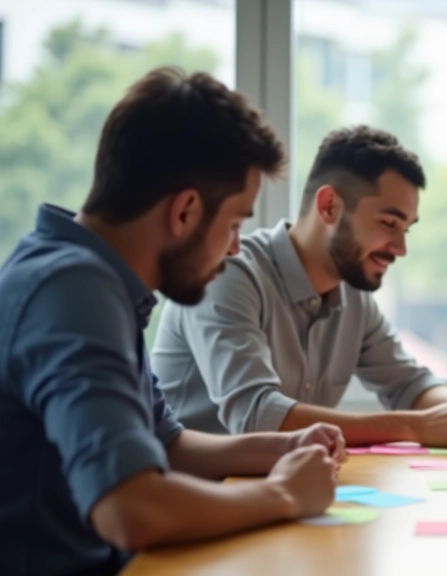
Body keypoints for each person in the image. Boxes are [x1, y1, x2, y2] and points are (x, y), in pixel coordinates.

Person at [0, 67, 346, 576]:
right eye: (233, 224)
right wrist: (283, 495)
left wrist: (284, 445)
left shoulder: (93, 279)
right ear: (185, 211)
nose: (233, 249)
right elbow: (130, 509)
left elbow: (167, 443)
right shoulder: (73, 291)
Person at [151, 125, 447, 447]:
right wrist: (415, 427)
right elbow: (257, 416)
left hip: (280, 493)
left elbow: (409, 385)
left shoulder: (353, 295)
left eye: (406, 230)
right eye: (389, 223)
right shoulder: (228, 274)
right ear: (329, 207)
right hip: (192, 504)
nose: (401, 249)